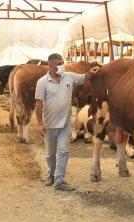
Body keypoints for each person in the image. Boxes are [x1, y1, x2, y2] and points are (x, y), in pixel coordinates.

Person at [35, 53, 99, 191]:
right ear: (50, 66)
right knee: (50, 154)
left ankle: (59, 180)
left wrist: (92, 71)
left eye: (62, 63)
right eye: (59, 64)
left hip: (65, 124)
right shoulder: (42, 82)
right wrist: (40, 124)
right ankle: (51, 174)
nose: (62, 66)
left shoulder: (69, 77)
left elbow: (85, 77)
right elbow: (39, 104)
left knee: (64, 151)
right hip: (49, 124)